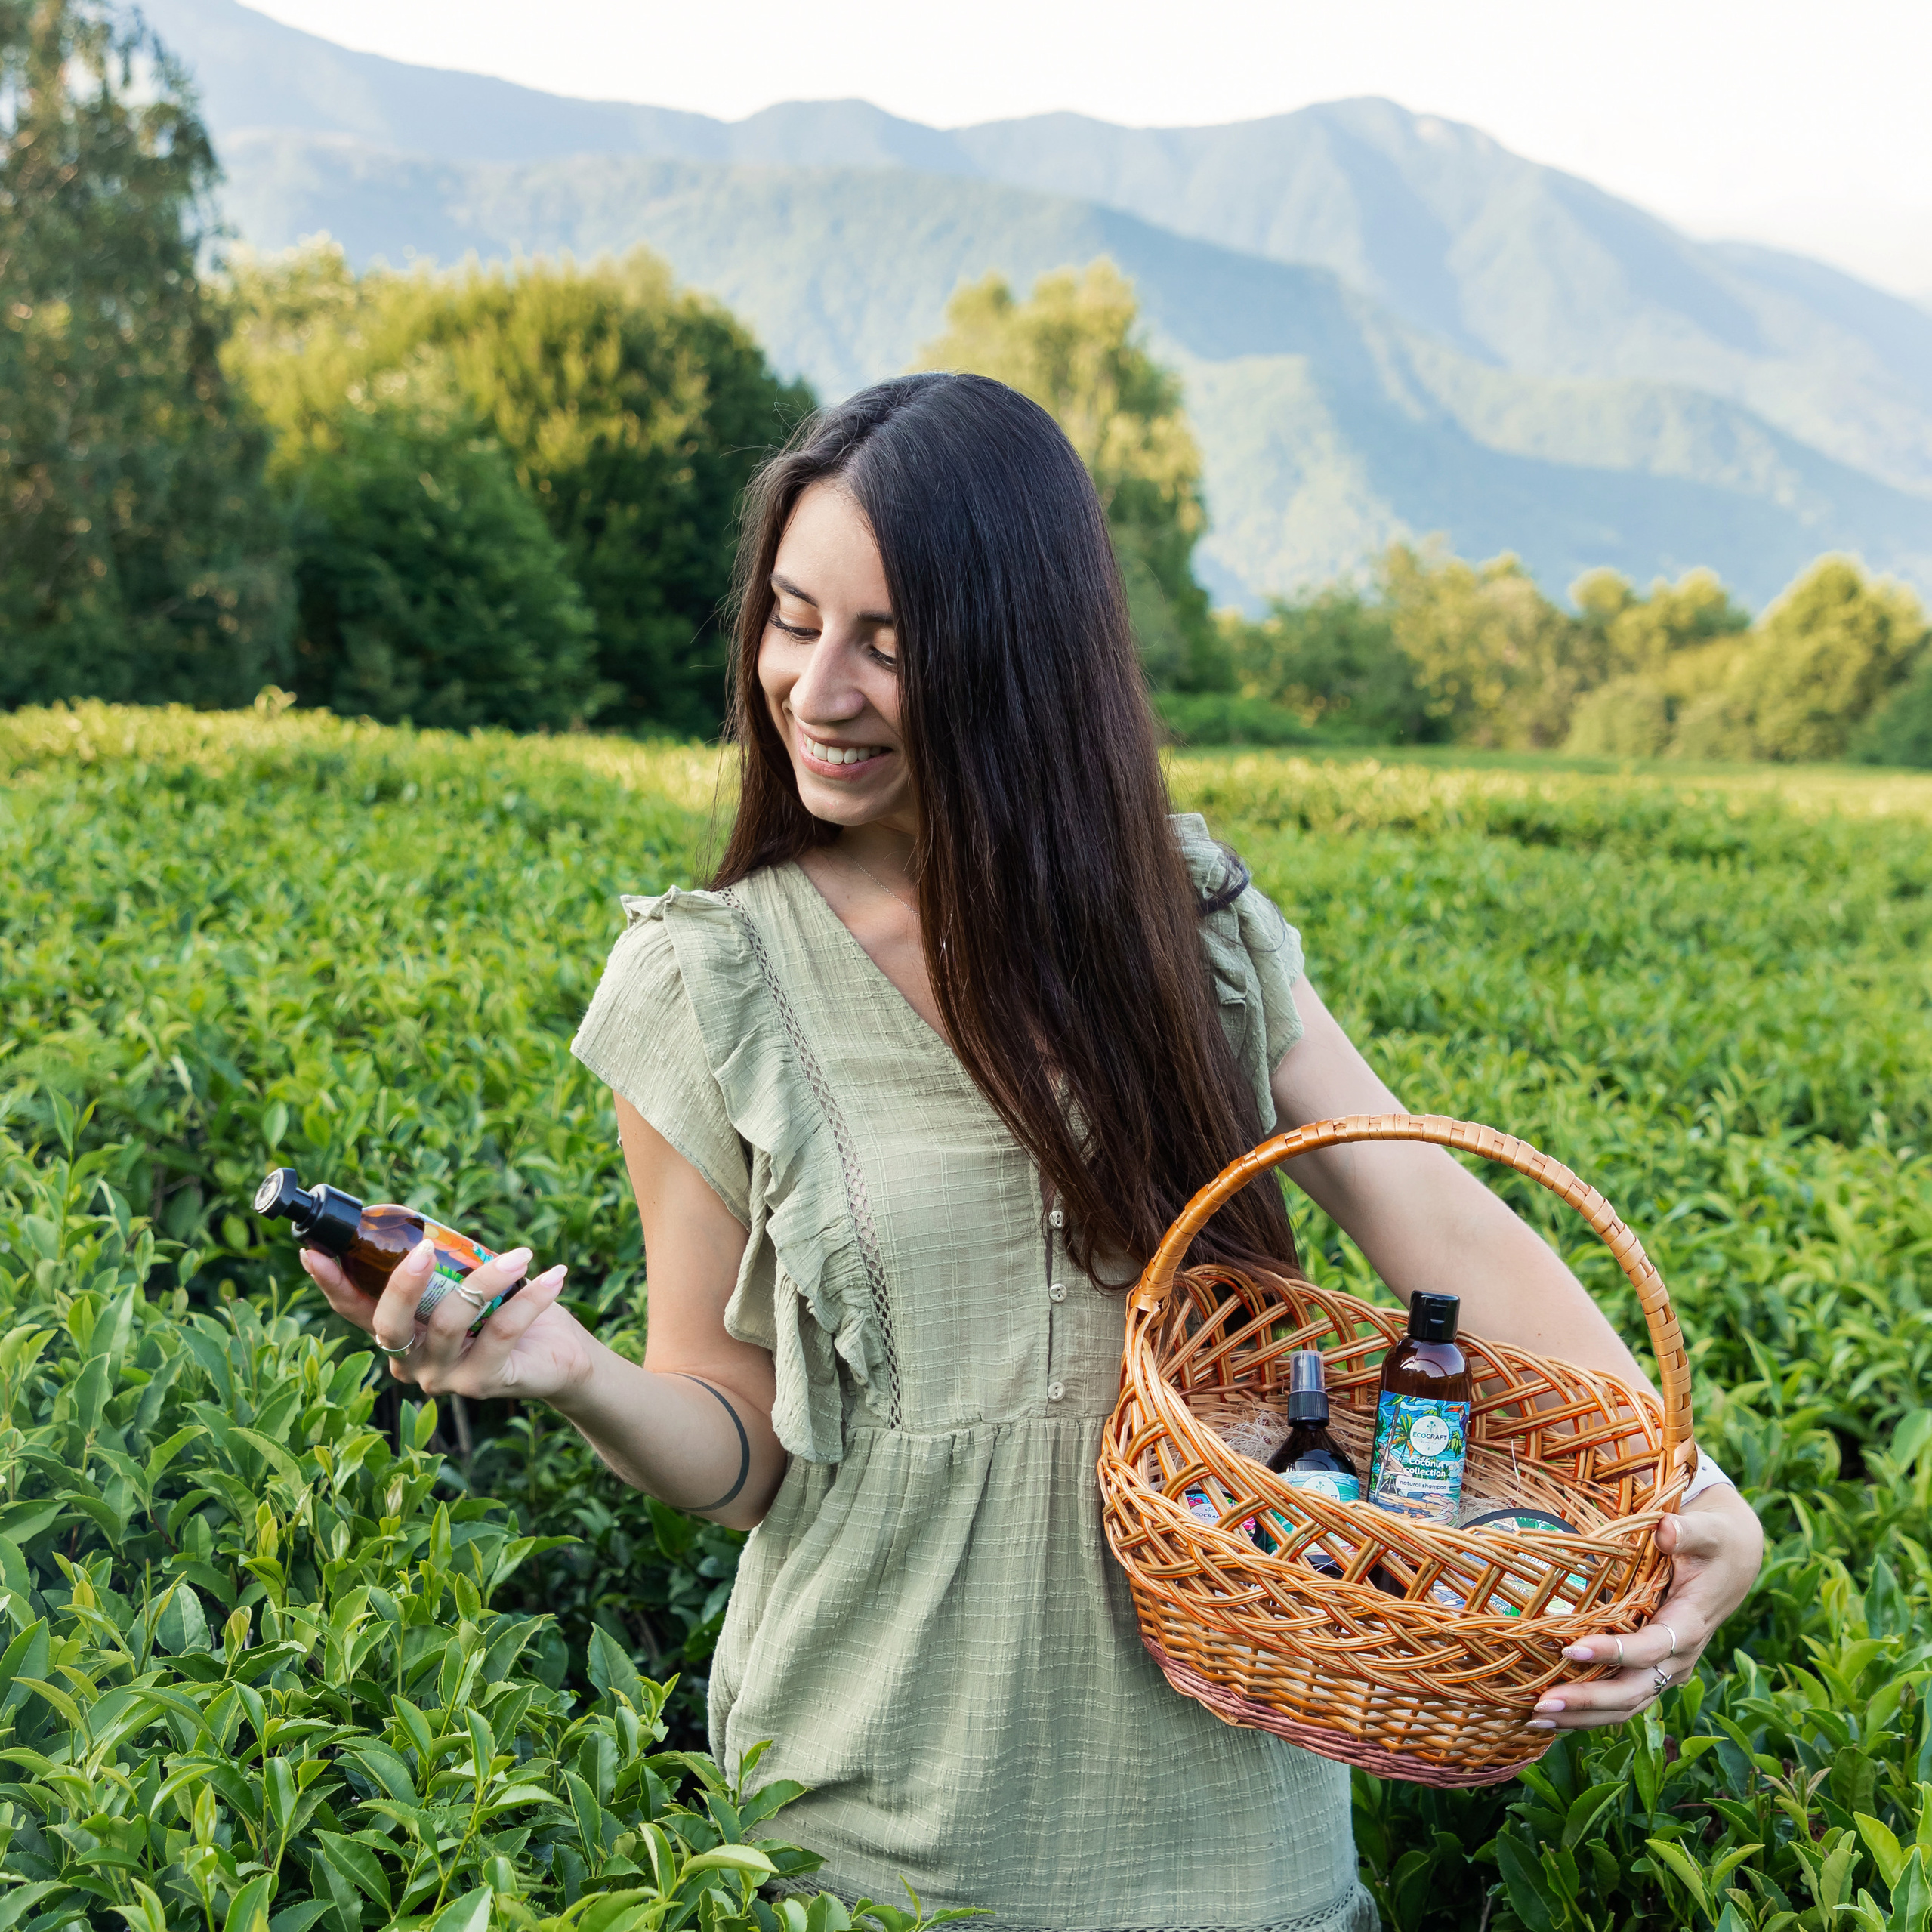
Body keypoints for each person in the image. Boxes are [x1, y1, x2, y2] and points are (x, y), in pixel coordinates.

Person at [304, 372, 1766, 1932]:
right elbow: (742, 1461)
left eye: (889, 638)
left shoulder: (1183, 924)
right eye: (793, 622)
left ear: (1019, 651)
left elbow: (1436, 1220)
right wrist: (569, 1371)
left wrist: (1682, 1483)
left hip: (1240, 1841)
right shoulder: (707, 979)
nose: (818, 687)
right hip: (878, 1847)